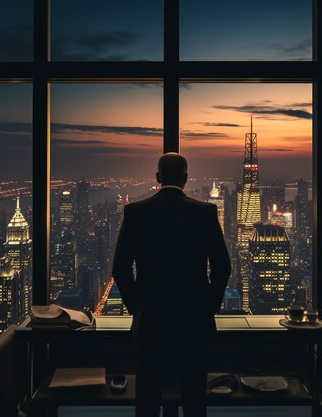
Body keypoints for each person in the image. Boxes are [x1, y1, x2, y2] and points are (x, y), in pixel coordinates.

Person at [112, 152, 231, 417]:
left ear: (157, 178)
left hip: (151, 319)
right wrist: (208, 306)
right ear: (186, 179)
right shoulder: (205, 212)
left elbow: (120, 269)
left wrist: (137, 306)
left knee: (147, 398)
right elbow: (223, 267)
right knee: (194, 398)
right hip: (193, 319)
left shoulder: (136, 212)